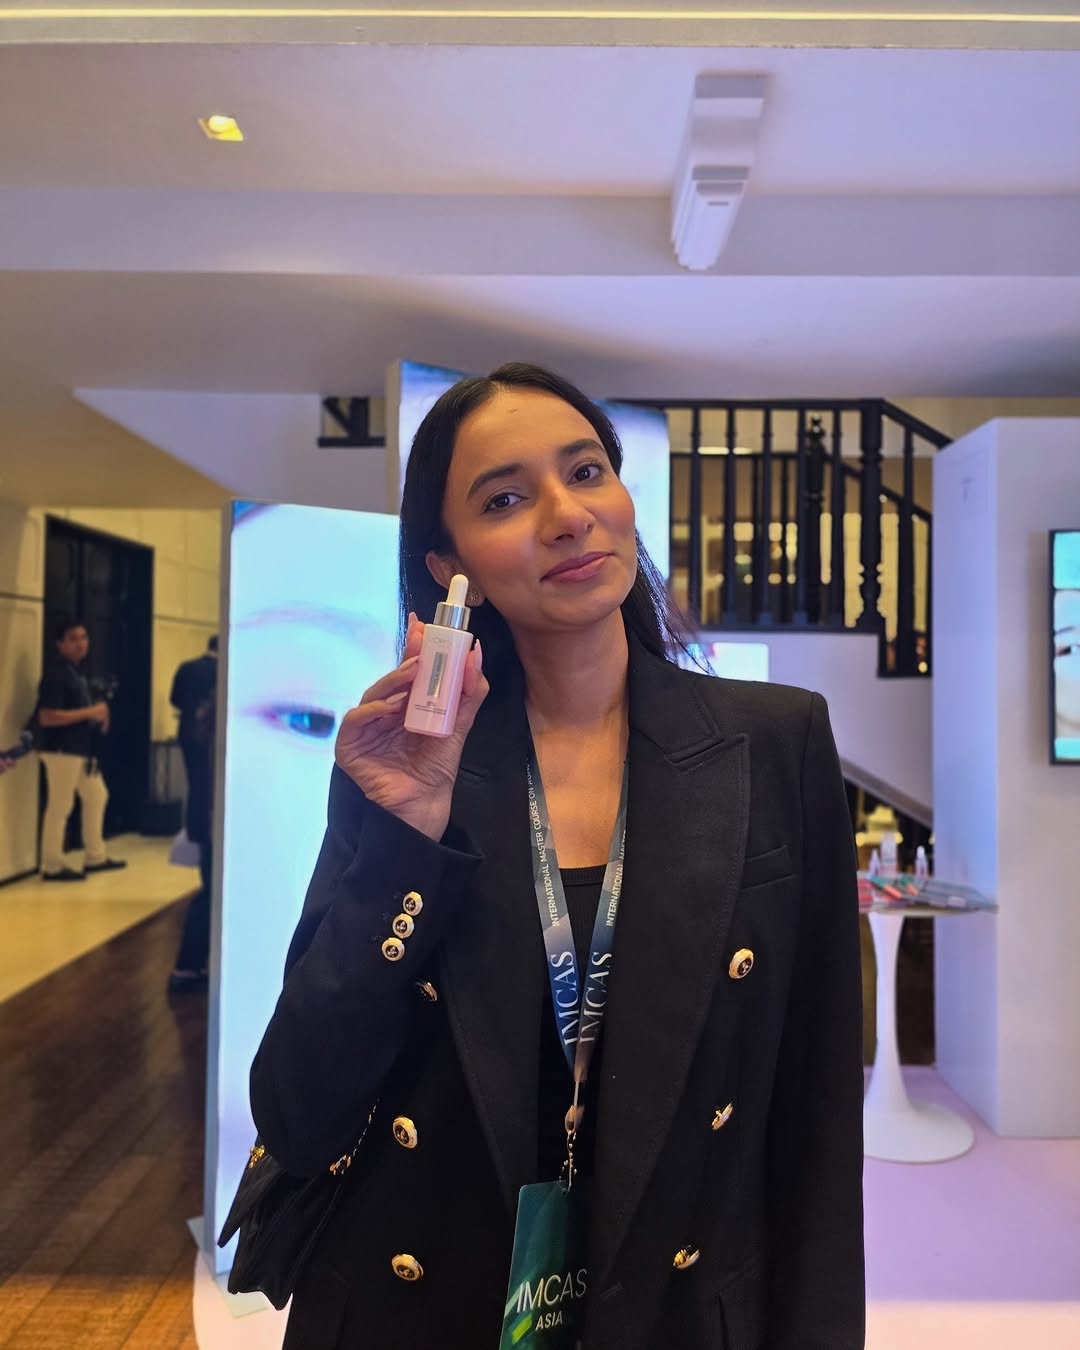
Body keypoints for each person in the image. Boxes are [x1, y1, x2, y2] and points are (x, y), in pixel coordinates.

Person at [248, 364, 865, 1349]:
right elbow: (299, 1112)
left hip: (676, 1306)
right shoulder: (405, 764)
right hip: (424, 1305)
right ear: (449, 563)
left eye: (585, 472)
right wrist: (407, 836)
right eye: (504, 498)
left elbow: (817, 1106)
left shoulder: (774, 742)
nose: (567, 517)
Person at [36, 618, 127, 882]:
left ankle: (95, 856)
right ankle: (52, 865)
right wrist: (91, 712)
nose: (80, 644)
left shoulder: (77, 673)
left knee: (97, 795)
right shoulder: (56, 674)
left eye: (84, 637)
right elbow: (47, 716)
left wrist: (98, 715)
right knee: (60, 805)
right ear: (60, 644)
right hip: (61, 749)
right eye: (73, 639)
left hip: (79, 749)